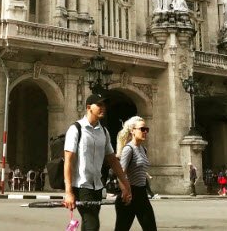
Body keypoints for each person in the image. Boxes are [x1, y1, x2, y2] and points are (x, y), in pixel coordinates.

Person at [63, 93, 131, 231]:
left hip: (98, 186)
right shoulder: (76, 129)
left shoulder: (104, 132)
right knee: (92, 224)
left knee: (89, 223)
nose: (103, 108)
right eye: (99, 105)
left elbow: (112, 159)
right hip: (81, 185)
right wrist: (68, 192)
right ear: (89, 107)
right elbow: (68, 161)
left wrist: (125, 183)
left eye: (104, 105)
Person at [114, 116, 157, 231]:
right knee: (122, 229)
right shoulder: (129, 149)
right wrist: (125, 191)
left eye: (146, 129)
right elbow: (121, 173)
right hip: (129, 194)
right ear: (132, 130)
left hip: (142, 193)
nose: (145, 132)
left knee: (150, 228)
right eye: (142, 129)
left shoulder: (143, 149)